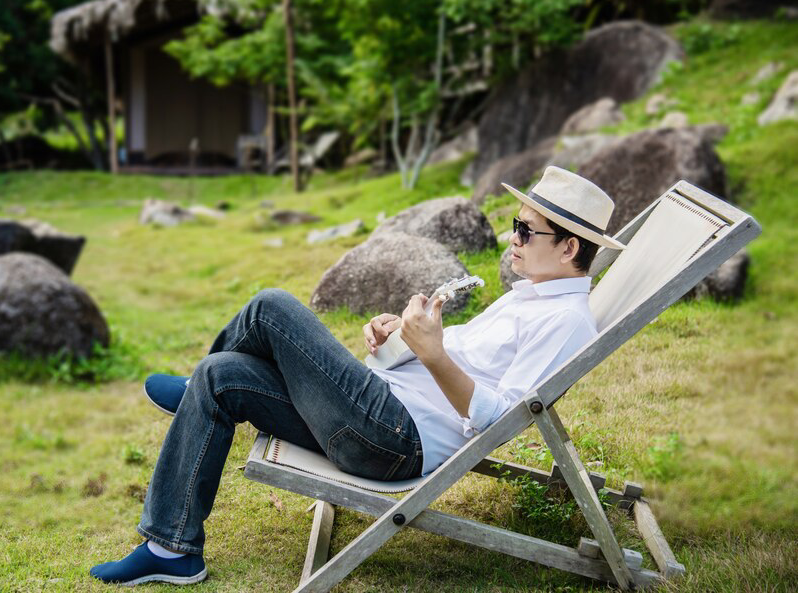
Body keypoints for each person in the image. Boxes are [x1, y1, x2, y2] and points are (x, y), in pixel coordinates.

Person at [89, 166, 626, 586]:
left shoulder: (565, 322)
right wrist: (402, 339)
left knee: (271, 306)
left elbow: (499, 418)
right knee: (221, 374)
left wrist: (433, 354)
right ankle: (171, 549)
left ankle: (189, 399)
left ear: (569, 247)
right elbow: (459, 360)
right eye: (515, 224)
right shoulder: (528, 297)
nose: (512, 238)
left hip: (391, 438)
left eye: (524, 230)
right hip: (380, 408)